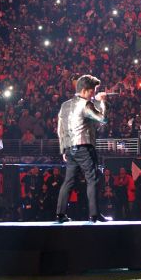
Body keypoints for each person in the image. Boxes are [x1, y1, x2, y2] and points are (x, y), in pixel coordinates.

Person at [55, 74, 109, 222]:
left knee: (69, 181)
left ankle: (60, 214)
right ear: (85, 90)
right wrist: (102, 102)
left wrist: (63, 149)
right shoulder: (86, 104)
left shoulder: (65, 105)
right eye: (93, 91)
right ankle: (95, 214)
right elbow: (103, 119)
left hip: (70, 148)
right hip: (84, 147)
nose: (93, 94)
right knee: (93, 179)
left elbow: (60, 129)